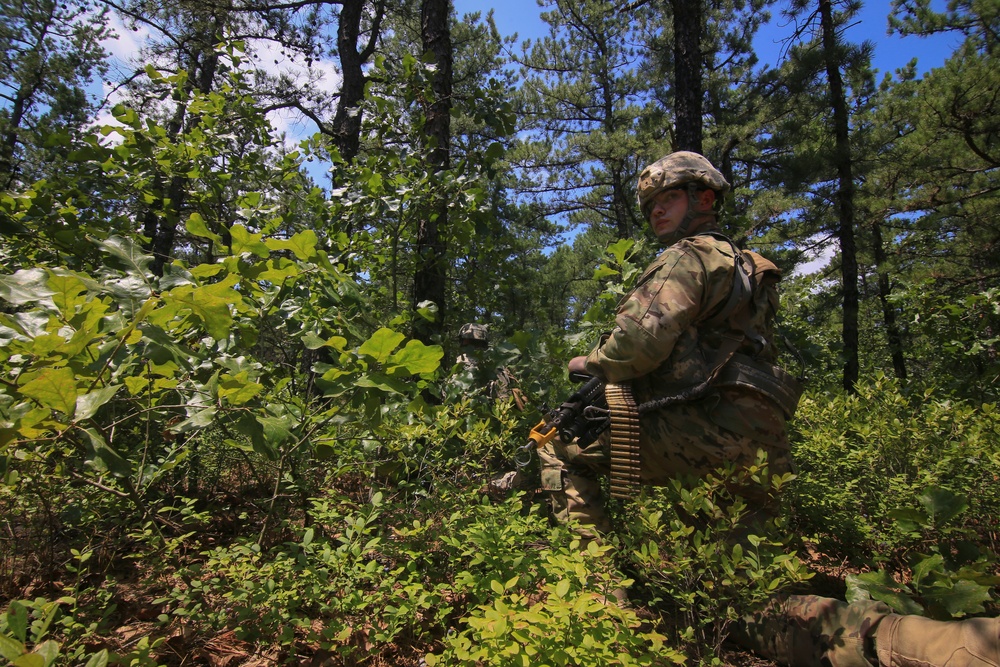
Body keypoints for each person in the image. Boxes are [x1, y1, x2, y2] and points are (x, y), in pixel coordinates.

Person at [538, 150, 999, 667]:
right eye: (650, 206)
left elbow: (636, 348)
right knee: (745, 599)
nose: (656, 212)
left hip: (700, 429)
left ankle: (605, 609)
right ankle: (941, 647)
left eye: (667, 198)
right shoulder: (746, 268)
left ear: (704, 199)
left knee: (558, 447)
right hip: (759, 443)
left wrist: (588, 359)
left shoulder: (688, 256)